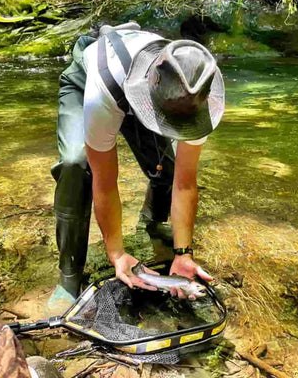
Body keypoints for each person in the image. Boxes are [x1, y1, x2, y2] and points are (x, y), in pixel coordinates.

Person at [48, 21, 225, 309]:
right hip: (93, 81)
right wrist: (116, 254)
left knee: (165, 169)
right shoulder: (102, 87)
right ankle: (69, 272)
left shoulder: (198, 94)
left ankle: (152, 223)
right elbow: (105, 182)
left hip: (159, 92)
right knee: (75, 165)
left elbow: (185, 181)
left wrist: (183, 252)